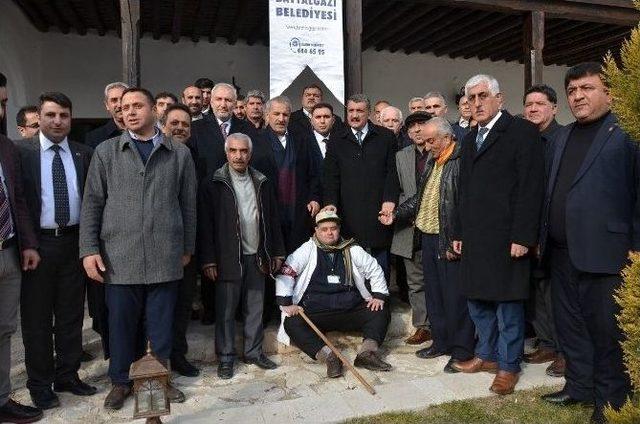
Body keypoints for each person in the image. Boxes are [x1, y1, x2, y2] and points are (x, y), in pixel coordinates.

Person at [80, 87, 196, 410]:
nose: (129, 111)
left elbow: (189, 205)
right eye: (124, 107)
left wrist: (187, 246)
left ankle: (159, 379)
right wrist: (89, 249)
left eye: (137, 106)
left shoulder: (178, 153)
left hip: (165, 253)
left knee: (161, 325)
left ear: (154, 111)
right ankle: (120, 381)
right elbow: (92, 204)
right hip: (120, 256)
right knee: (120, 325)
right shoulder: (106, 152)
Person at [539, 62, 635, 424]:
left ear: (608, 91)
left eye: (587, 88)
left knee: (607, 332)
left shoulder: (625, 132)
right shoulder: (563, 135)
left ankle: (610, 402)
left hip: (607, 254)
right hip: (562, 252)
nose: (578, 96)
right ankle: (578, 386)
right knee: (570, 327)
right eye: (572, 91)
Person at [451, 74, 544, 396]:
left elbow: (531, 189)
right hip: (476, 237)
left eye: (482, 96)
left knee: (508, 307)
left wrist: (523, 236)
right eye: (471, 98)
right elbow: (464, 190)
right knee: (477, 302)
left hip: (507, 237)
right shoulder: (469, 138)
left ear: (498, 98)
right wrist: (459, 230)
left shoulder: (521, 133)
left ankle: (508, 366)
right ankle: (487, 356)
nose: (476, 103)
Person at [18, 92, 96, 410]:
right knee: (36, 319)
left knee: (71, 315)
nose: (57, 121)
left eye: (63, 115)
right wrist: (27, 243)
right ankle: (39, 383)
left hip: (74, 243)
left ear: (70, 118)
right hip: (37, 246)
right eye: (51, 115)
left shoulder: (82, 153)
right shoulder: (20, 152)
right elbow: (18, 201)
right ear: (39, 116)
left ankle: (67, 375)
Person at [391, 116, 476, 373]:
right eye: (425, 142)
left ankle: (461, 350)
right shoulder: (433, 161)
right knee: (434, 296)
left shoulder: (461, 160)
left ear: (447, 137)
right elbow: (421, 197)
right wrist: (396, 213)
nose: (427, 147)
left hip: (448, 238)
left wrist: (458, 237)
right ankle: (440, 342)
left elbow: (465, 203)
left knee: (455, 297)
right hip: (427, 237)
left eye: (431, 141)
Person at [198, 132, 285, 379]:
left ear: (250, 153)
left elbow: (272, 219)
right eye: (234, 151)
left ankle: (254, 352)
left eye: (243, 151)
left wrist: (276, 251)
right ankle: (226, 358)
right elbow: (205, 225)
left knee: (255, 308)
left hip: (257, 256)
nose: (239, 156)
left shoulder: (261, 180)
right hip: (227, 257)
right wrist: (208, 259)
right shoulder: (213, 182)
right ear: (226, 153)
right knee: (225, 311)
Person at [277, 210, 391, 376]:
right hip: (317, 311)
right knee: (292, 323)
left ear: (339, 229)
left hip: (350, 309)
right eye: (324, 229)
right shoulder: (306, 250)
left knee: (380, 311)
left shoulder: (351, 249)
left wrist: (379, 295)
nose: (329, 232)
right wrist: (287, 303)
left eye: (333, 228)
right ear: (316, 230)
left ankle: (367, 354)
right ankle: (330, 357)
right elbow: (287, 272)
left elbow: (374, 268)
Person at [0, 81, 42, 424]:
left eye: (1, 103)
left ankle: (1, 399)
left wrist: (28, 243)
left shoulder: (6, 148)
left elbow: (18, 199)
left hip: (10, 251)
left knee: (3, 329)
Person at [323, 94, 399, 280]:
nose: (354, 115)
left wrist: (389, 201)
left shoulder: (386, 137)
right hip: (348, 210)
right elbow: (331, 176)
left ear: (369, 114)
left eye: (359, 111)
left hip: (378, 209)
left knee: (380, 263)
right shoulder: (336, 138)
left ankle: (381, 301)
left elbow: (392, 174)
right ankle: (356, 304)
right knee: (351, 262)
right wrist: (331, 203)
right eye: (351, 110)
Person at [522, 83, 565, 378]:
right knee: (535, 290)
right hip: (528, 227)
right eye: (529, 104)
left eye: (539, 103)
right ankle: (547, 343)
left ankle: (565, 351)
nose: (533, 109)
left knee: (557, 294)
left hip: (553, 231)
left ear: (554, 108)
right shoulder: (524, 139)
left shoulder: (562, 138)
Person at [389, 111, 432, 346]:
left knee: (438, 279)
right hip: (408, 226)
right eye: (412, 127)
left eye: (421, 125)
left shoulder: (441, 151)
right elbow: (396, 190)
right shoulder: (401, 156)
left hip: (435, 226)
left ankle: (442, 323)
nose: (417, 130)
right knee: (415, 281)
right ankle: (422, 326)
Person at [262, 96, 321, 253]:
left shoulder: (303, 139)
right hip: (269, 209)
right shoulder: (256, 141)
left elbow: (314, 172)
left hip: (298, 210)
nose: (281, 119)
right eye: (276, 114)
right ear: (267, 116)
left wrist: (314, 197)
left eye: (285, 115)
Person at [84, 82, 129, 149]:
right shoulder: (94, 137)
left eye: (123, 99)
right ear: (107, 105)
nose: (119, 105)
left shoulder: (143, 131)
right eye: (114, 100)